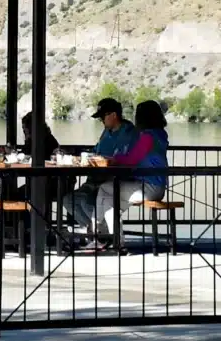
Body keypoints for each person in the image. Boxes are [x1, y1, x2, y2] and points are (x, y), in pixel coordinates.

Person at [80, 99, 169, 252]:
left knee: (105, 190)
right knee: (109, 198)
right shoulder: (160, 134)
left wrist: (112, 159)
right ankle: (107, 238)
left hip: (148, 187)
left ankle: (101, 236)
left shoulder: (148, 136)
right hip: (157, 186)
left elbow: (132, 159)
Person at [69, 98, 136, 235]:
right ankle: (96, 233)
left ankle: (103, 234)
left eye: (102, 117)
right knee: (69, 200)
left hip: (114, 180)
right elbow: (96, 151)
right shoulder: (106, 131)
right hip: (96, 178)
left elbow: (123, 160)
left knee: (87, 202)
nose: (101, 121)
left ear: (113, 115)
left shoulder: (128, 133)